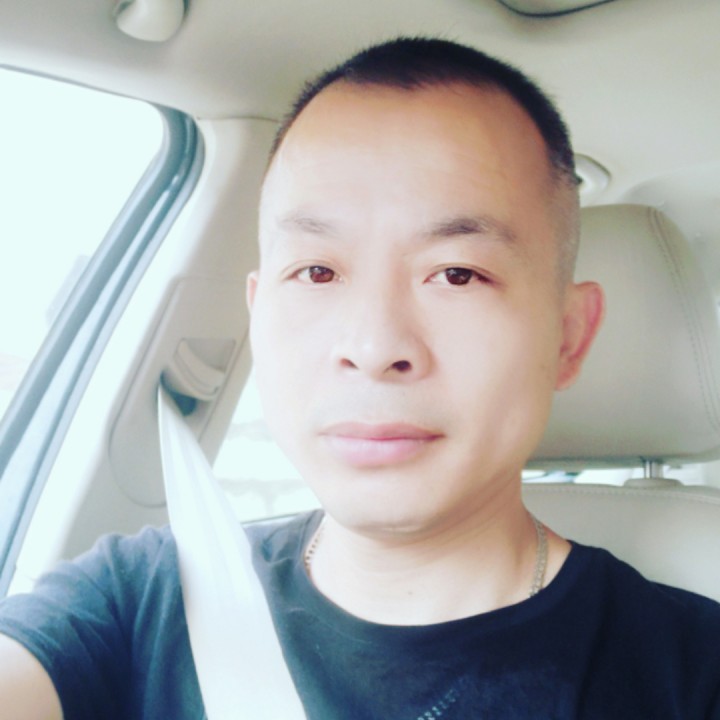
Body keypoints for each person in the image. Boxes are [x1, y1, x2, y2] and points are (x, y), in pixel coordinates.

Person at [1, 36, 719, 719]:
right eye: (317, 271)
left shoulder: (692, 675)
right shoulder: (135, 605)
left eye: (457, 274)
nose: (374, 347)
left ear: (569, 336)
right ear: (258, 311)